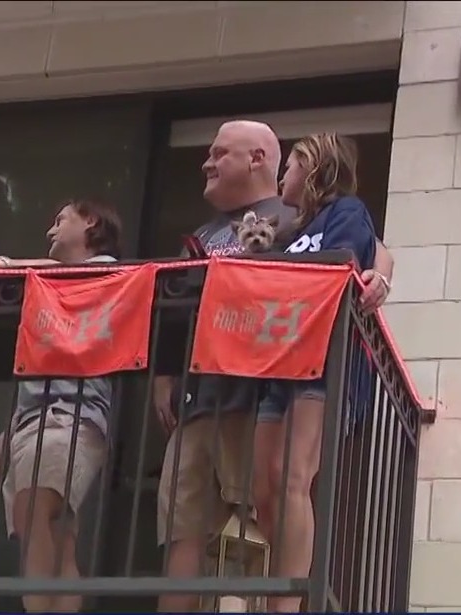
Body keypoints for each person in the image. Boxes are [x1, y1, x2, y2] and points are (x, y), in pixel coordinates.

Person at [152, 121, 396, 613]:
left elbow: (368, 248)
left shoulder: (305, 214)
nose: (207, 162)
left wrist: (381, 277)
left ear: (260, 159)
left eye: (220, 153)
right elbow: (171, 303)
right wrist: (163, 375)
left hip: (272, 378)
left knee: (272, 500)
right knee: (193, 523)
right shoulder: (213, 232)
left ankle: (278, 604)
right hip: (216, 393)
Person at [0, 198, 122, 613]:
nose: (51, 228)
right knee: (53, 532)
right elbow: (38, 379)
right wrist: (4, 440)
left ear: (91, 223)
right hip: (39, 420)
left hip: (72, 415)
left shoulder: (105, 273)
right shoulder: (50, 291)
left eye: (61, 219)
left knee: (34, 514)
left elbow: (75, 276)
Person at [252, 133, 376, 613]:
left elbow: (344, 265)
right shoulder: (289, 230)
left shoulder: (347, 212)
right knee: (264, 490)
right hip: (280, 368)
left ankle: (284, 606)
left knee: (291, 478)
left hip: (324, 362)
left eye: (293, 163)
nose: (284, 173)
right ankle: (282, 588)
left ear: (315, 168)